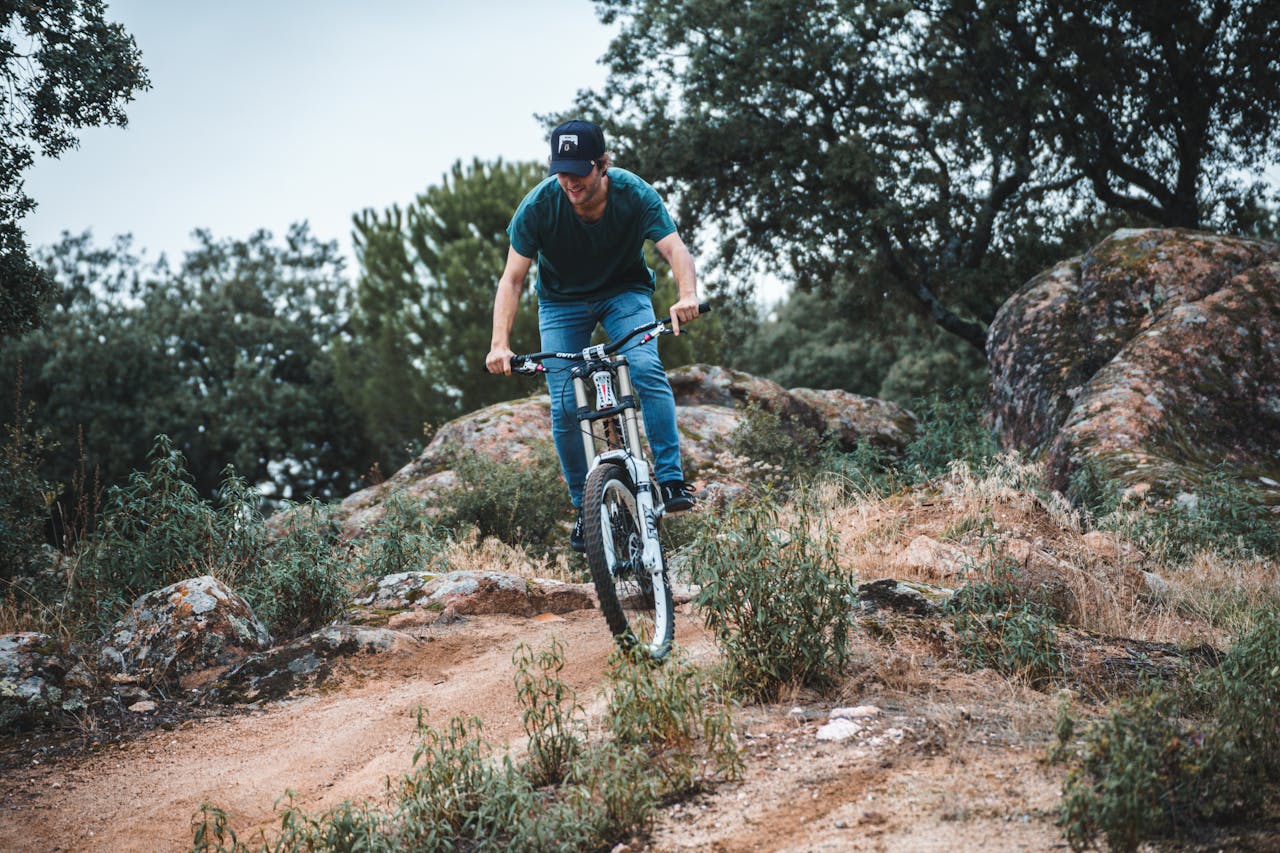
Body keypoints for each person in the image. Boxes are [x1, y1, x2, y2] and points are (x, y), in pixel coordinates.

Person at [485, 119, 700, 552]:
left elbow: (675, 248)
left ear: (602, 165)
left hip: (625, 294)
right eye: (561, 170)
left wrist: (687, 295)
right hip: (562, 304)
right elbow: (511, 280)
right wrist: (499, 343)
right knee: (564, 403)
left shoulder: (633, 193)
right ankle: (584, 508)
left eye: (578, 171)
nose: (569, 181)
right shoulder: (540, 205)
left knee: (645, 368)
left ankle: (672, 480)